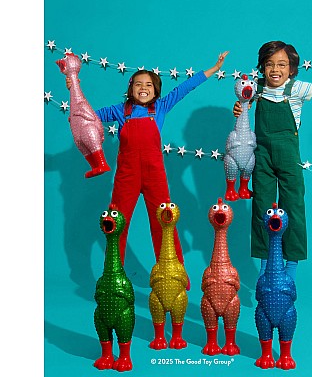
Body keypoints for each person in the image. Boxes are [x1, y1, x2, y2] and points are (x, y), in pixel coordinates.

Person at [67, 52, 229, 277]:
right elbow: (88, 117)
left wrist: (214, 68)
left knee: (165, 220)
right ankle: (113, 275)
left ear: (156, 90)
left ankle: (174, 274)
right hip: (126, 177)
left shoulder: (160, 107)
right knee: (116, 223)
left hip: (155, 176)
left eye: (149, 85)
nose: (143, 88)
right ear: (130, 88)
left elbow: (185, 88)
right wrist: (73, 88)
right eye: (138, 84)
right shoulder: (119, 111)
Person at [233, 41, 312, 280]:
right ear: (262, 67)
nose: (275, 69)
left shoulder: (297, 88)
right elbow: (244, 100)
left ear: (292, 69)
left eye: (282, 64)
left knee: (293, 206)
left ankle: (291, 267)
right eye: (269, 64)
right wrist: (240, 107)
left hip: (288, 158)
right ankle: (265, 266)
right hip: (262, 156)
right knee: (261, 206)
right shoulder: (257, 87)